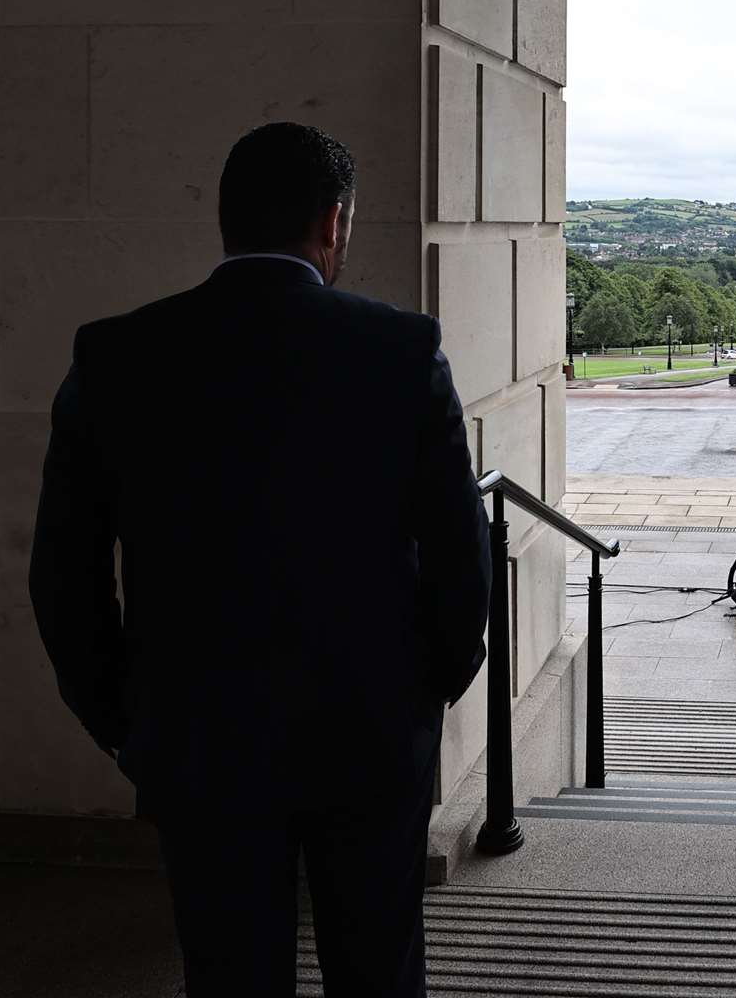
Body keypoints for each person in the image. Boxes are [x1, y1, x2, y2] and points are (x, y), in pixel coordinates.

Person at [28, 122, 492, 996]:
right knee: (377, 974)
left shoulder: (117, 356)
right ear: (332, 222)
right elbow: (462, 558)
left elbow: (64, 578)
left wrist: (127, 723)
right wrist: (423, 692)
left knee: (230, 976)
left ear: (225, 222)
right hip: (368, 734)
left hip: (198, 740)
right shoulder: (400, 353)